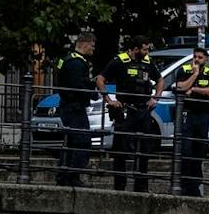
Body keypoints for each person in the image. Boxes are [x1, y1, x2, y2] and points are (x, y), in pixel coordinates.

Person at [98, 36, 163, 192]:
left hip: (143, 110)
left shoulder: (147, 62)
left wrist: (156, 98)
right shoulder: (119, 61)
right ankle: (120, 186)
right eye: (145, 49)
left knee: (144, 150)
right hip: (125, 110)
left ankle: (141, 187)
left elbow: (160, 80)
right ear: (135, 49)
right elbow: (100, 79)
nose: (147, 52)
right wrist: (109, 100)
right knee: (120, 150)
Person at [171, 46, 209, 196]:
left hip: (203, 115)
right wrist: (195, 74)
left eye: (200, 57)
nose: (197, 59)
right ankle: (184, 185)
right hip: (187, 113)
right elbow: (181, 87)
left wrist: (194, 90)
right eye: (195, 57)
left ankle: (195, 186)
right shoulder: (184, 70)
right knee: (185, 149)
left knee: (199, 150)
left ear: (206, 59)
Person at [53, 32, 98, 187]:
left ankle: (64, 175)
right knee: (82, 141)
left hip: (69, 106)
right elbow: (77, 86)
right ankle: (72, 176)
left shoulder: (67, 59)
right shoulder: (76, 63)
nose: (93, 49)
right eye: (92, 46)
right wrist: (92, 93)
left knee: (71, 142)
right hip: (74, 107)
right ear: (85, 44)